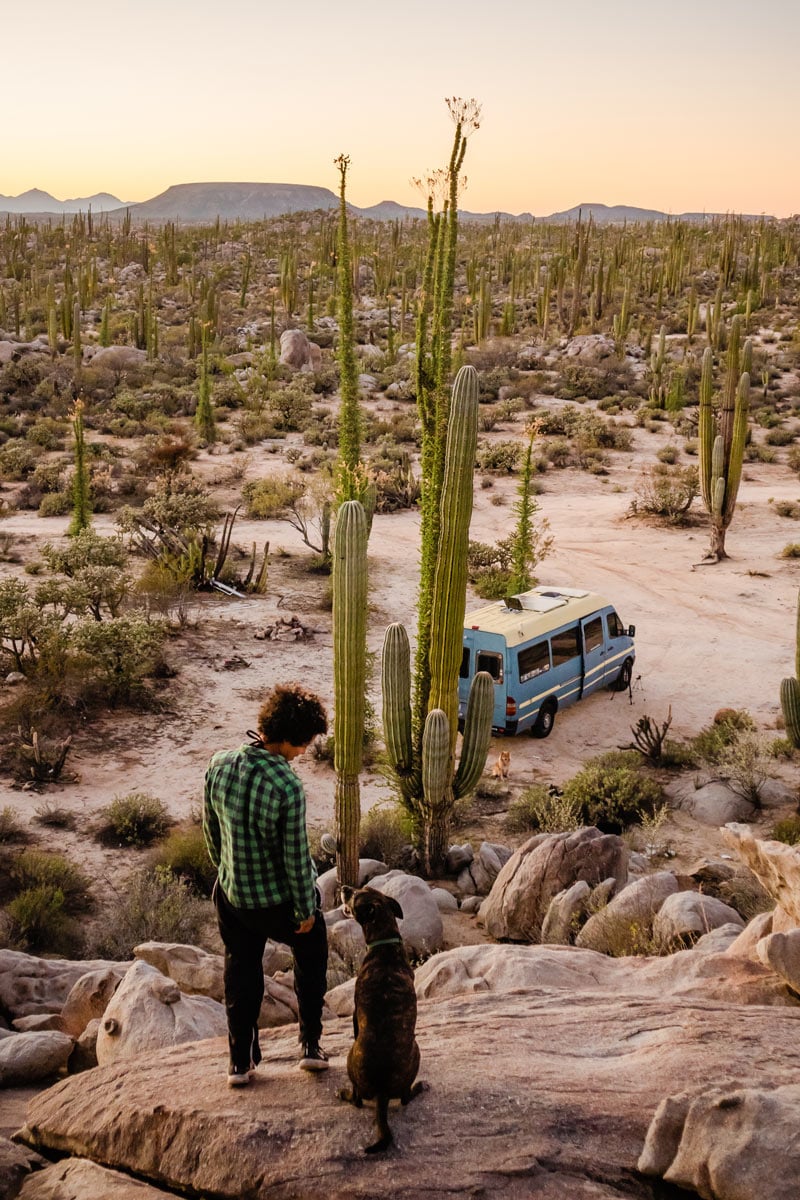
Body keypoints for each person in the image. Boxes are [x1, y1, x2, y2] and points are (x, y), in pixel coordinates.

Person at [203, 682, 329, 1087]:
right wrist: (305, 911)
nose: (305, 751)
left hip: (234, 898)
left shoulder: (218, 764)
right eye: (304, 743)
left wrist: (226, 874)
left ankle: (240, 1061)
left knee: (240, 969)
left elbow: (212, 833)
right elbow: (295, 859)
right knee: (312, 951)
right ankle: (310, 1046)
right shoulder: (286, 786)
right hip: (275, 903)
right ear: (290, 738)